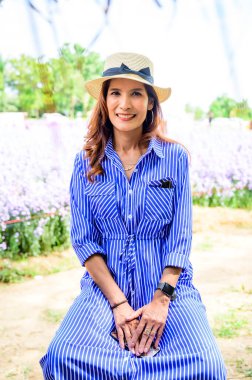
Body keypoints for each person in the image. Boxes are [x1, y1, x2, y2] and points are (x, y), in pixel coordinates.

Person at [40, 52, 226, 379]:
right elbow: (84, 241)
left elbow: (179, 239)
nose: (124, 104)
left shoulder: (174, 158)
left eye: (136, 93)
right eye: (116, 93)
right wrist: (117, 304)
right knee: (62, 357)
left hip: (168, 285)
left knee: (206, 366)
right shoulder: (85, 162)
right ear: (105, 100)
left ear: (151, 103)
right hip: (105, 287)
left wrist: (161, 301)